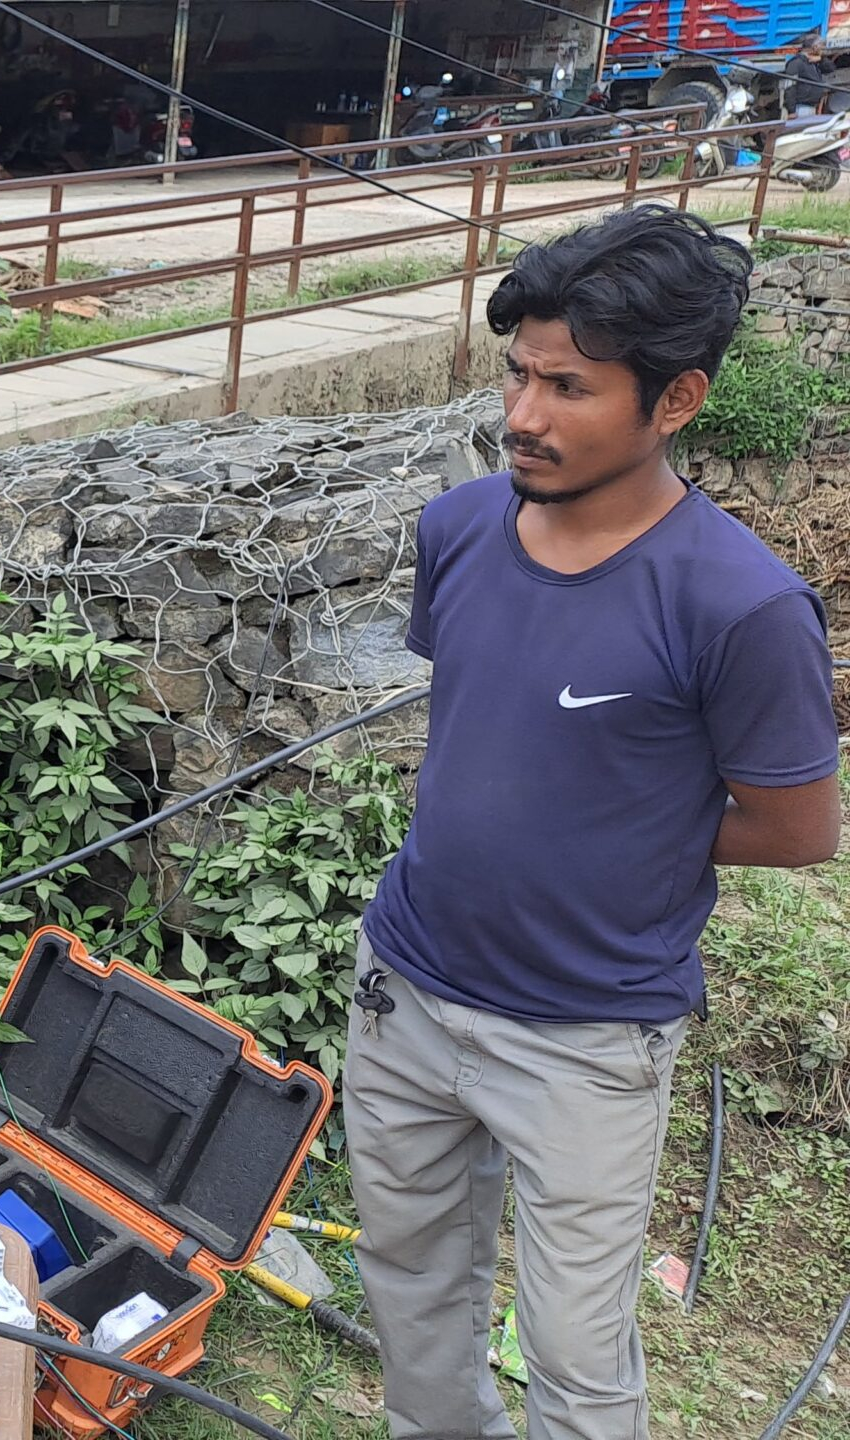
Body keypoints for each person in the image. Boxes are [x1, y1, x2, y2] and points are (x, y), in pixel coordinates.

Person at [349, 205, 842, 1440]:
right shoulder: (458, 531)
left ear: (674, 401)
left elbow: (797, 831)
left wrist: (627, 816)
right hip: (405, 988)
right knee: (411, 1286)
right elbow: (483, 732)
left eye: (568, 386)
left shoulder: (739, 605)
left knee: (574, 1352)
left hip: (585, 1035)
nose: (523, 414)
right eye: (518, 372)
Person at [784, 33, 830, 117]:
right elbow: (790, 87)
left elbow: (830, 68)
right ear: (814, 47)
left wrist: (821, 59)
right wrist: (791, 111)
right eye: (820, 46)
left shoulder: (813, 63)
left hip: (811, 107)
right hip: (800, 108)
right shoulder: (795, 63)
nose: (822, 49)